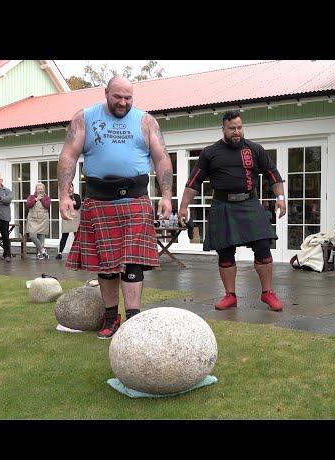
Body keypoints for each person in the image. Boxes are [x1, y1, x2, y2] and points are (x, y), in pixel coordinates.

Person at [58, 76, 173, 339]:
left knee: (133, 264)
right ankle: (111, 318)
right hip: (99, 201)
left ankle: (133, 319)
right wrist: (64, 193)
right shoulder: (84, 118)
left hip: (134, 201)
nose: (123, 103)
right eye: (117, 97)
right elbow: (69, 155)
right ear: (106, 92)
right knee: (106, 266)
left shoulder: (145, 121)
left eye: (128, 98)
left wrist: (166, 195)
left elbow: (161, 158)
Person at [178, 110, 287, 311]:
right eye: (232, 129)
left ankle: (267, 293)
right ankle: (230, 295)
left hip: (250, 202)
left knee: (263, 245)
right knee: (225, 251)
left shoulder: (255, 149)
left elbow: (273, 175)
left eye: (239, 127)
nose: (236, 132)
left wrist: (280, 198)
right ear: (223, 129)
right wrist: (183, 206)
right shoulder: (210, 153)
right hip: (223, 205)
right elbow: (194, 181)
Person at [56, 182, 81, 260]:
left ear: (73, 188)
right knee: (64, 235)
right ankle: (60, 253)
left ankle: (78, 253)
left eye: (71, 187)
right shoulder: (64, 196)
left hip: (75, 217)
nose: (70, 189)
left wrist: (71, 204)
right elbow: (62, 206)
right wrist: (72, 203)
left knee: (76, 236)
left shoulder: (77, 196)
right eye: (68, 187)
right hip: (66, 217)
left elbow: (78, 205)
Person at [26, 183, 51, 259]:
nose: (40, 190)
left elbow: (47, 205)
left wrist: (42, 199)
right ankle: (43, 250)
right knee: (32, 235)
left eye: (41, 189)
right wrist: (36, 199)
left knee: (41, 238)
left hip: (43, 219)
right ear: (36, 189)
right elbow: (28, 205)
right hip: (33, 219)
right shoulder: (31, 197)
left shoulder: (47, 197)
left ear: (43, 189)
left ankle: (40, 254)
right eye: (38, 189)